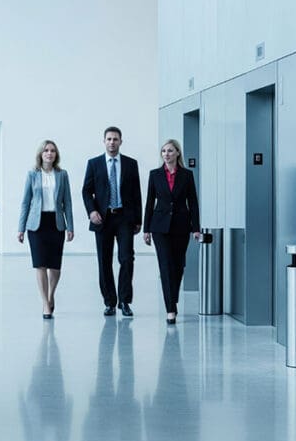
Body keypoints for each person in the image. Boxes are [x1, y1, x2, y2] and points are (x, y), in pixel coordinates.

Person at [82, 126, 142, 317]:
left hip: (124, 217)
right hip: (103, 218)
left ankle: (125, 301)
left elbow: (136, 193)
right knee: (104, 261)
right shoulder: (94, 163)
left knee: (127, 259)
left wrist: (138, 220)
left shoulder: (131, 164)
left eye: (115, 139)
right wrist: (92, 211)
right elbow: (86, 191)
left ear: (121, 142)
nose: (112, 142)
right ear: (104, 141)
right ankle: (109, 302)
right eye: (109, 139)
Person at [142, 139, 200, 324]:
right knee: (165, 265)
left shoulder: (187, 175)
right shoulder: (155, 175)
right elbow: (149, 203)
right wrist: (146, 229)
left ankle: (172, 298)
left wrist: (196, 228)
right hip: (160, 227)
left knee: (178, 265)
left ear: (177, 153)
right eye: (164, 151)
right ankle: (170, 309)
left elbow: (193, 202)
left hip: (181, 226)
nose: (166, 154)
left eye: (170, 151)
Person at [17, 140, 75, 318]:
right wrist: (20, 228)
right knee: (40, 264)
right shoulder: (32, 174)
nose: (49, 153)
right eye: (46, 150)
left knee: (55, 266)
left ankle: (51, 295)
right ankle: (45, 304)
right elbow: (25, 202)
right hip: (37, 224)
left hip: (56, 223)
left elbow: (67, 203)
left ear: (56, 154)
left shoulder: (62, 175)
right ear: (40, 154)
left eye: (52, 151)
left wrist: (70, 226)